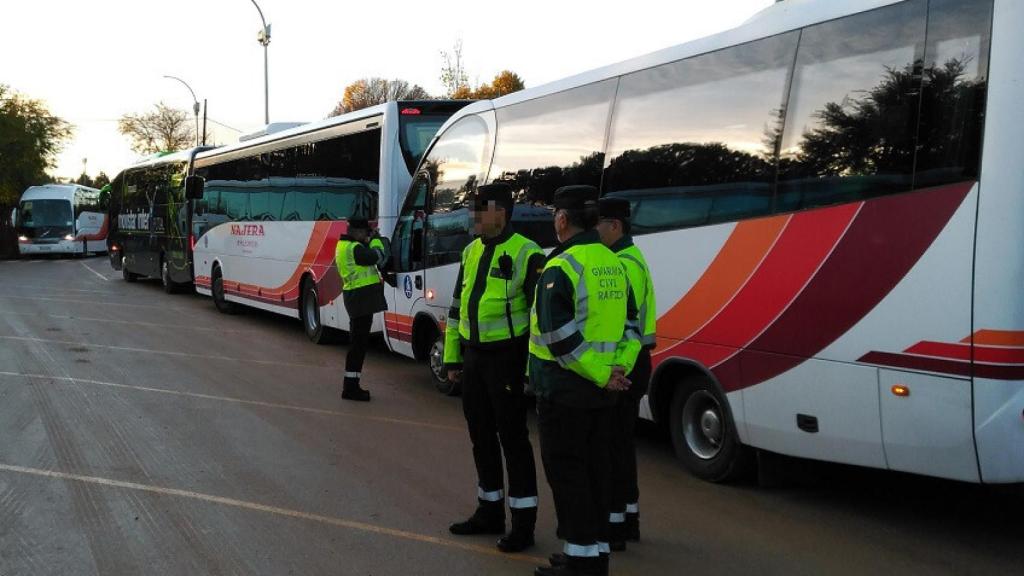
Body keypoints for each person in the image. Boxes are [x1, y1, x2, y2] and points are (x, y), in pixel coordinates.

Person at [530, 185, 640, 576]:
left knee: (568, 475)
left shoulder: (561, 266)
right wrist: (616, 370)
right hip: (603, 393)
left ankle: (580, 561)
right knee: (596, 473)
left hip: (566, 391)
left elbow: (558, 337)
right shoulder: (615, 262)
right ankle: (594, 555)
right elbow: (632, 327)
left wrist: (602, 374)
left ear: (562, 219)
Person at [445, 183, 546, 553]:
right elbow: (457, 307)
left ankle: (523, 525)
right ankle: (489, 512)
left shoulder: (528, 253)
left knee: (513, 441)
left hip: (508, 358)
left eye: (479, 210)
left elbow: (539, 318)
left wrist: (531, 369)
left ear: (500, 213)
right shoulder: (471, 251)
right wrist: (452, 358)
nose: (473, 217)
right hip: (474, 358)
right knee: (481, 437)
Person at [596, 197, 656, 550]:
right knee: (620, 445)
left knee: (612, 448)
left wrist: (613, 368)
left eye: (599, 223)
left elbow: (624, 325)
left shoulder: (622, 264)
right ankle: (627, 520)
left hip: (626, 364)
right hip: (633, 361)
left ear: (615, 225)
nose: (594, 230)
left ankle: (615, 526)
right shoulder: (631, 258)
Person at [334, 218, 388, 402]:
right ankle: (351, 388)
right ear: (357, 232)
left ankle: (351, 385)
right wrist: (376, 239)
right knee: (358, 346)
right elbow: (377, 256)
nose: (367, 235)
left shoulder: (343, 246)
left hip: (355, 297)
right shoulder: (355, 249)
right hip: (360, 299)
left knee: (357, 345)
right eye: (365, 232)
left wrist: (368, 240)